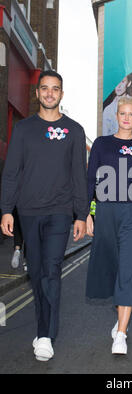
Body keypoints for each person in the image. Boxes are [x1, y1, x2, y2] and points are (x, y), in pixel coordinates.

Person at [0, 70, 89, 362]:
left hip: (60, 213)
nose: (50, 93)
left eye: (56, 89)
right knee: (36, 273)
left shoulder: (74, 130)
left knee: (51, 271)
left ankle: (45, 334)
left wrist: (81, 214)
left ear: (62, 94)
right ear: (38, 93)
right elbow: (11, 172)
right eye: (45, 88)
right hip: (28, 211)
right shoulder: (24, 129)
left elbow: (79, 176)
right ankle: (43, 327)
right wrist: (6, 210)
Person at [85, 96, 132, 355]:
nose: (127, 118)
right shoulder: (102, 145)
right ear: (116, 116)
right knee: (113, 269)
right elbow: (90, 180)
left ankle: (122, 334)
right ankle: (121, 317)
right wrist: (86, 214)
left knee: (129, 269)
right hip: (105, 212)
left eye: (131, 114)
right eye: (123, 114)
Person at [103, 75, 132, 141]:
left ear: (128, 83)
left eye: (122, 82)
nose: (118, 86)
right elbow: (105, 138)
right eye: (115, 82)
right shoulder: (108, 110)